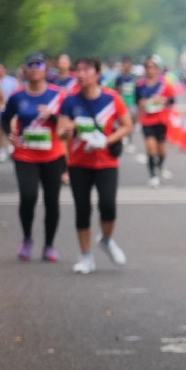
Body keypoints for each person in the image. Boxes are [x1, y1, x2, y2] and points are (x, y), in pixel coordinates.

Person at [58, 58, 133, 274]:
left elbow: (128, 125)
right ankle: (86, 256)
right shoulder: (70, 101)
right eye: (78, 70)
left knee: (108, 206)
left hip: (106, 162)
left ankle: (107, 240)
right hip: (79, 163)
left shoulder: (112, 98)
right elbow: (60, 132)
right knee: (83, 209)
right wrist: (69, 128)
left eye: (86, 70)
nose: (81, 74)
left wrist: (106, 140)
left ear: (98, 74)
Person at [0, 54, 66, 262]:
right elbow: (5, 117)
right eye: (31, 65)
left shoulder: (58, 95)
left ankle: (49, 245)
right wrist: (9, 134)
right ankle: (27, 238)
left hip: (53, 155)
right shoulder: (18, 96)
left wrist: (52, 116)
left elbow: (67, 122)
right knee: (28, 197)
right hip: (25, 155)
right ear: (25, 71)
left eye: (40, 65)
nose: (35, 69)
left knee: (51, 201)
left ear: (46, 71)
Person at [135, 55, 176, 188]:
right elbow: (138, 101)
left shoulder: (164, 84)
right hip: (147, 120)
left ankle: (160, 165)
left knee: (162, 150)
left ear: (157, 69)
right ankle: (153, 175)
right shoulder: (140, 85)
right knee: (151, 147)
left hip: (161, 120)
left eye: (152, 67)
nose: (150, 70)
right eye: (147, 67)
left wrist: (162, 100)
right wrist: (143, 104)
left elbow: (172, 100)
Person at [112, 56, 140, 150]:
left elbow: (137, 90)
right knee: (122, 121)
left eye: (128, 64)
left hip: (132, 102)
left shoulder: (134, 78)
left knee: (132, 120)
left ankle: (130, 136)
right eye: (125, 64)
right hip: (122, 102)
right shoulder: (119, 78)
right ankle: (123, 136)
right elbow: (115, 90)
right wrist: (120, 89)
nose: (127, 66)